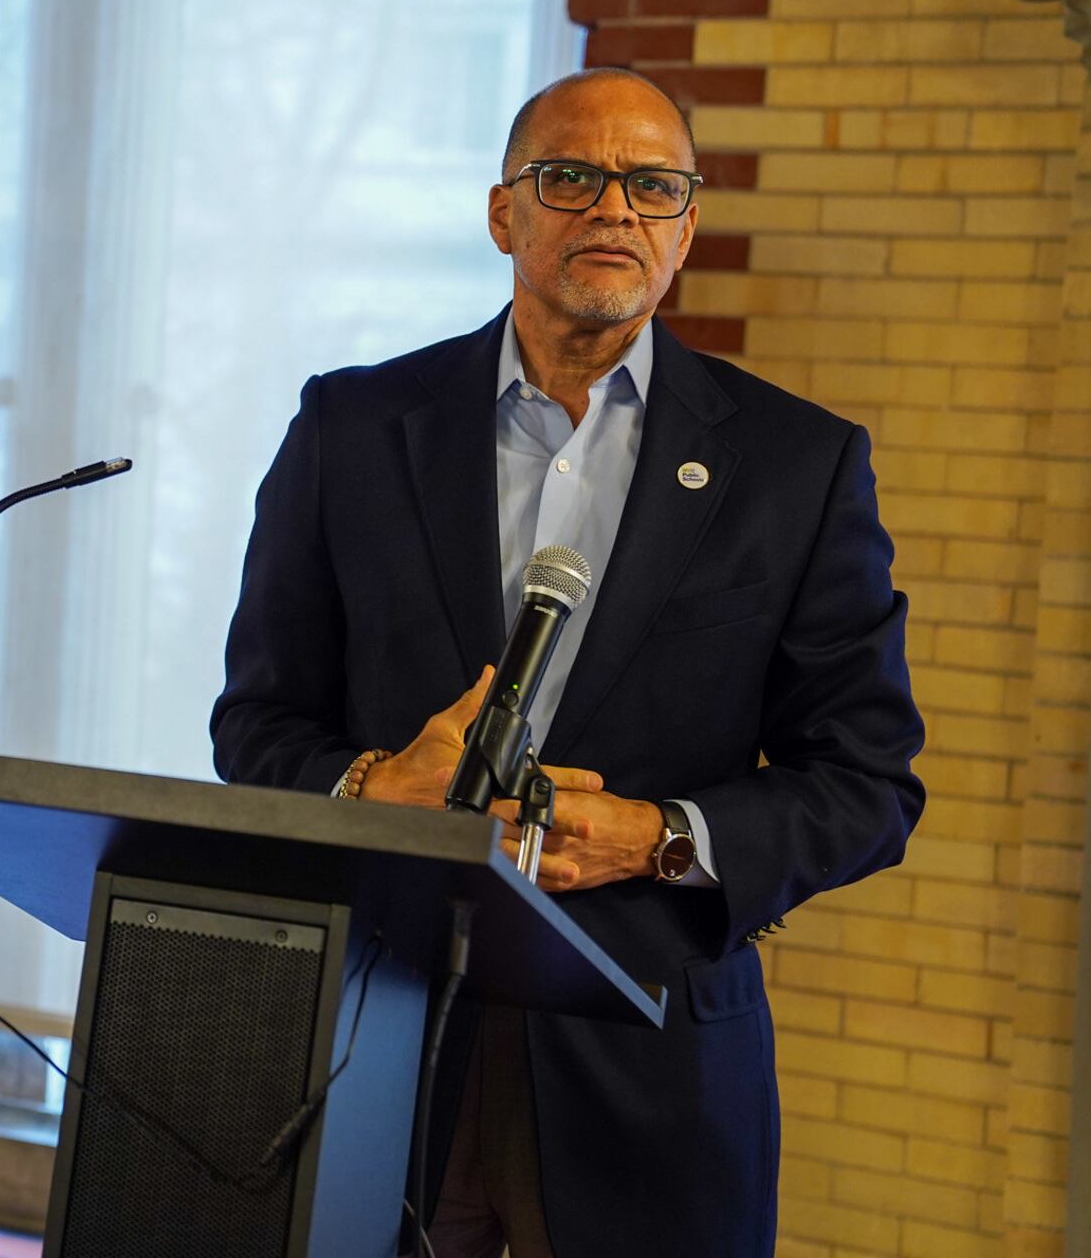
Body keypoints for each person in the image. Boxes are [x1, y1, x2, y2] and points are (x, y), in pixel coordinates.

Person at [210, 67, 924, 1257]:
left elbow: (865, 782)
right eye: (570, 178)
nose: (613, 210)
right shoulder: (351, 428)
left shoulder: (796, 468)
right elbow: (258, 722)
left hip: (648, 1064)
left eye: (653, 185)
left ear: (687, 224)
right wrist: (368, 787)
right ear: (505, 215)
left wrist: (654, 834)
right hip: (374, 1040)